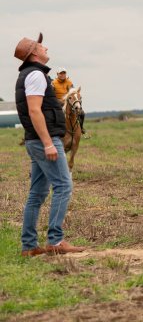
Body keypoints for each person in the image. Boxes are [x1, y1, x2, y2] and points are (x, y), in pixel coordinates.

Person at [14, 33, 85, 256]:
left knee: (37, 193)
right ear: (34, 53)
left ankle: (29, 246)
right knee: (64, 186)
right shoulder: (35, 75)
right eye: (40, 45)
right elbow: (35, 111)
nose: (45, 47)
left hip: (36, 140)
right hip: (43, 140)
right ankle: (55, 240)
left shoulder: (32, 74)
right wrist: (48, 143)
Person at [52, 67, 85, 134]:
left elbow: (73, 92)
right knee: (54, 115)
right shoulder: (53, 83)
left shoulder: (69, 82)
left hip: (69, 102)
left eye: (64, 73)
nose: (62, 75)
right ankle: (55, 130)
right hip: (58, 102)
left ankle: (81, 128)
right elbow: (52, 95)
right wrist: (59, 101)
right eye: (61, 73)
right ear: (57, 74)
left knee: (82, 113)